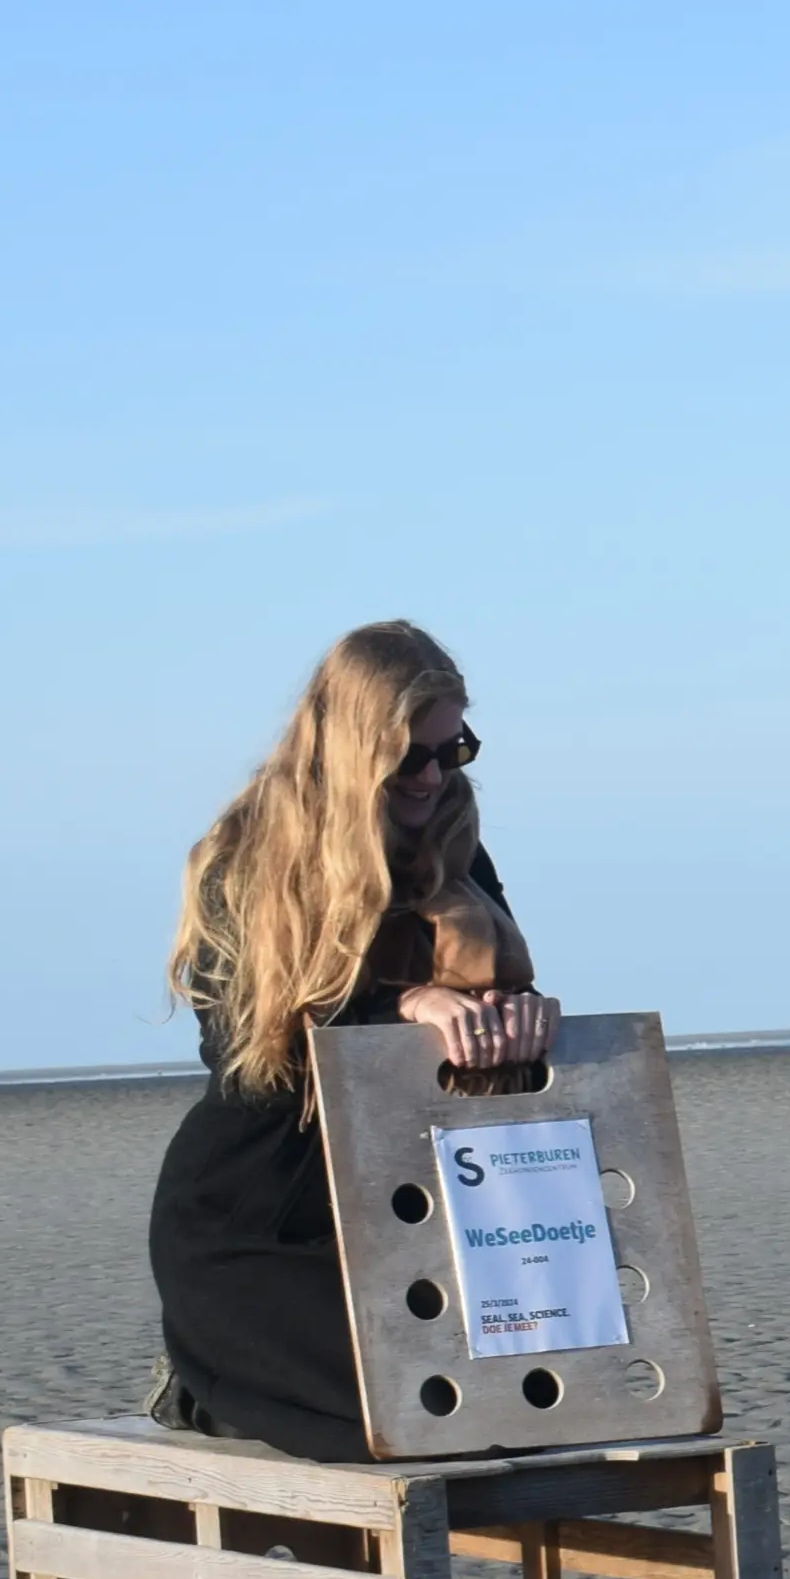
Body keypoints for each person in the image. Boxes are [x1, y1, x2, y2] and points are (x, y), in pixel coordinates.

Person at [147, 621, 560, 1456]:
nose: (434, 776)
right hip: (264, 1223)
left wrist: (525, 1018)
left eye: (456, 750)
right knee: (418, 1405)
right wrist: (401, 1007)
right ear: (353, 746)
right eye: (412, 755)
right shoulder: (246, 859)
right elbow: (245, 1056)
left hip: (417, 1202)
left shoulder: (455, 848)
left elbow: (496, 990)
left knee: (531, 1398)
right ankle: (208, 1388)